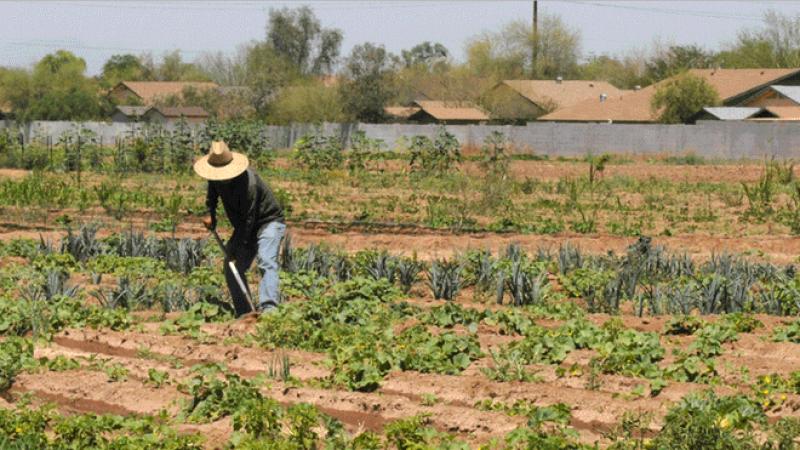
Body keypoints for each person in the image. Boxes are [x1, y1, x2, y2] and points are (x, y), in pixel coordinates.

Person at [193, 141, 286, 317]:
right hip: (245, 225)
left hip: (268, 221)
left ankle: (269, 311)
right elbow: (211, 197)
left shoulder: (248, 183)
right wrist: (210, 214)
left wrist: (241, 247)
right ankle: (245, 313)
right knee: (230, 265)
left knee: (266, 261)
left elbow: (250, 219)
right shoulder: (215, 177)